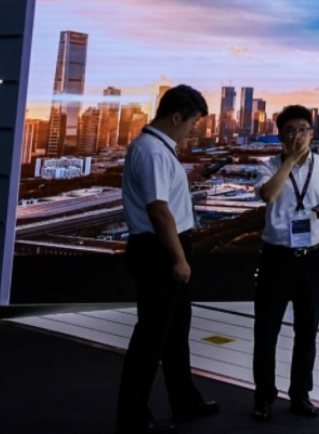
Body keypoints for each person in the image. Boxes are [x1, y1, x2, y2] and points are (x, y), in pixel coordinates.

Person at [116, 85, 217, 434]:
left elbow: (164, 196)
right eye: (193, 123)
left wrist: (189, 178)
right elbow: (158, 210)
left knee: (175, 332)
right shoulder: (153, 152)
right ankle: (133, 416)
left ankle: (185, 401)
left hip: (161, 247)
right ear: (176, 118)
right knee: (151, 337)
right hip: (159, 250)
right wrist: (179, 258)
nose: (193, 131)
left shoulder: (156, 149)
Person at [251, 104, 319, 420]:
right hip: (275, 257)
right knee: (266, 331)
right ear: (280, 135)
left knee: (307, 331)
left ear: (312, 133)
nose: (297, 136)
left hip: (312, 258)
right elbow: (268, 195)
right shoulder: (268, 166)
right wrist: (289, 161)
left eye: (303, 129)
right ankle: (264, 396)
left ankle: (300, 394)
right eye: (289, 131)